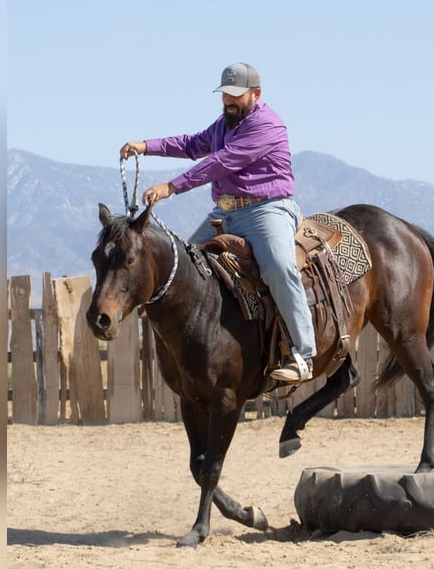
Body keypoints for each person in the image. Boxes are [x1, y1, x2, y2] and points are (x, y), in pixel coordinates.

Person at [120, 62, 315, 383]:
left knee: (279, 267)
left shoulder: (267, 125)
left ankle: (303, 353)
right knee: (181, 268)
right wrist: (146, 146)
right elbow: (192, 144)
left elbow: (221, 161)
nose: (228, 100)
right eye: (225, 94)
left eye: (235, 95)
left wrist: (172, 187)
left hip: (267, 210)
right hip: (225, 213)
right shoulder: (224, 124)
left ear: (256, 94)